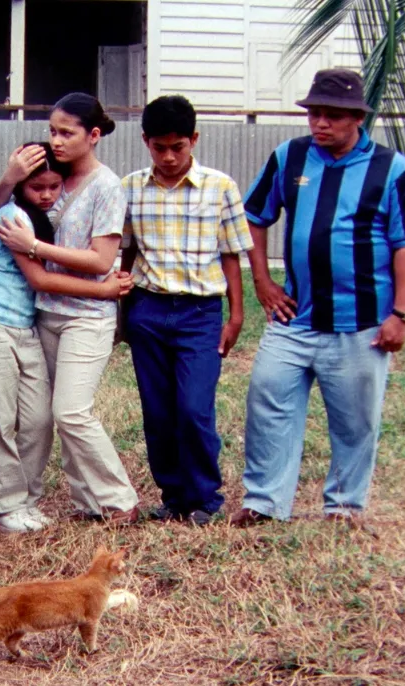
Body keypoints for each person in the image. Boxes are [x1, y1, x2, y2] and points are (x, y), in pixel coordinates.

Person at [230, 69, 405, 527]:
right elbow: (255, 218)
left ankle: (343, 507)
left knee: (354, 421)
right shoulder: (289, 157)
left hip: (360, 323)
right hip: (295, 319)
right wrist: (262, 281)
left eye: (333, 115)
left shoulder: (391, 169)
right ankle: (264, 502)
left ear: (358, 118)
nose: (320, 123)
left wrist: (400, 314)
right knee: (268, 400)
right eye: (314, 113)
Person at [0, 143, 133, 533]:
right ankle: (7, 506)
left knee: (40, 419)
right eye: (36, 187)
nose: (46, 195)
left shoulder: (46, 217)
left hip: (27, 324)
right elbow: (40, 279)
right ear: (20, 187)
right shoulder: (14, 219)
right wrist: (105, 290)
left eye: (54, 186)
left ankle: (27, 499)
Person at [118, 95, 254, 527]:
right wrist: (123, 313)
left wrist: (236, 315)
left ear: (194, 139)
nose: (169, 157)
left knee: (194, 409)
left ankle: (204, 497)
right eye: (159, 147)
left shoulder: (220, 187)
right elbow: (126, 252)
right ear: (145, 141)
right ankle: (173, 496)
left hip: (199, 314)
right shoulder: (130, 188)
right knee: (158, 412)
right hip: (148, 309)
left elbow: (231, 254)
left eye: (178, 147)